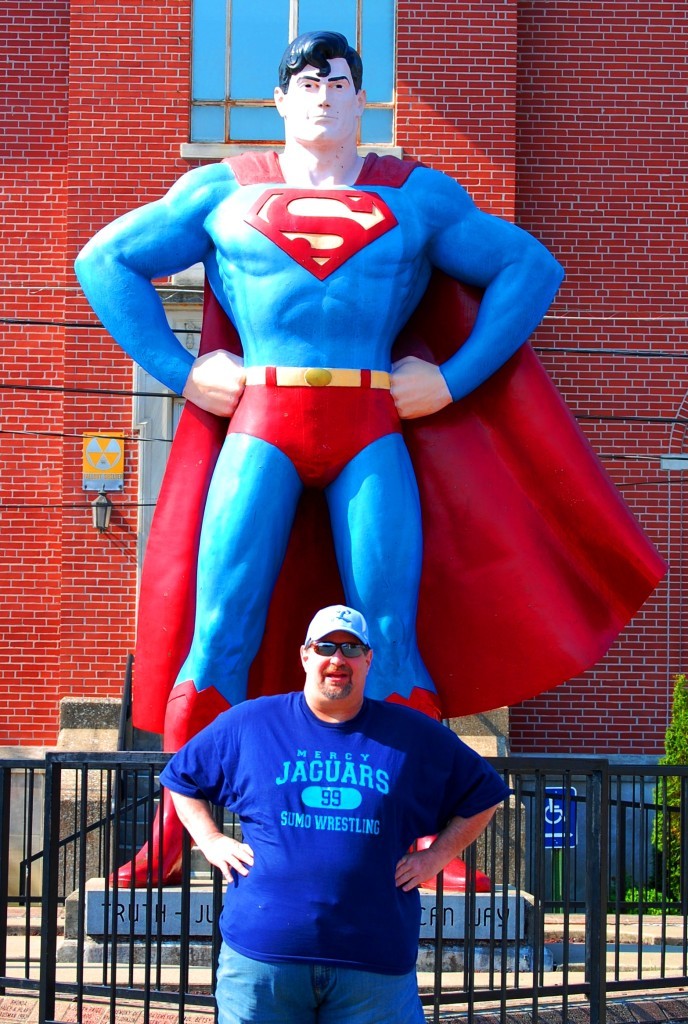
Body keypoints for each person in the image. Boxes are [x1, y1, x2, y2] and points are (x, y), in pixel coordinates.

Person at [75, 30, 663, 885]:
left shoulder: (416, 197)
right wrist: (179, 369)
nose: (320, 93)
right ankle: (178, 835)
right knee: (219, 636)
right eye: (305, 80)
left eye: (338, 80)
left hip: (369, 425)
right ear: (279, 100)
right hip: (263, 422)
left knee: (391, 638)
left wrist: (455, 379)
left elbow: (528, 268)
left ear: (362, 100)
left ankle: (425, 843)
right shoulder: (221, 193)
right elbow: (105, 260)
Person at [160, 604, 510, 1024]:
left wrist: (436, 857)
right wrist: (212, 840)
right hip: (263, 960)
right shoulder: (251, 723)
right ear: (305, 655)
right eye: (325, 646)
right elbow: (181, 778)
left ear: (368, 659)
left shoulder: (412, 735)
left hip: (373, 968)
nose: (337, 659)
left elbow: (485, 793)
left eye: (350, 647)